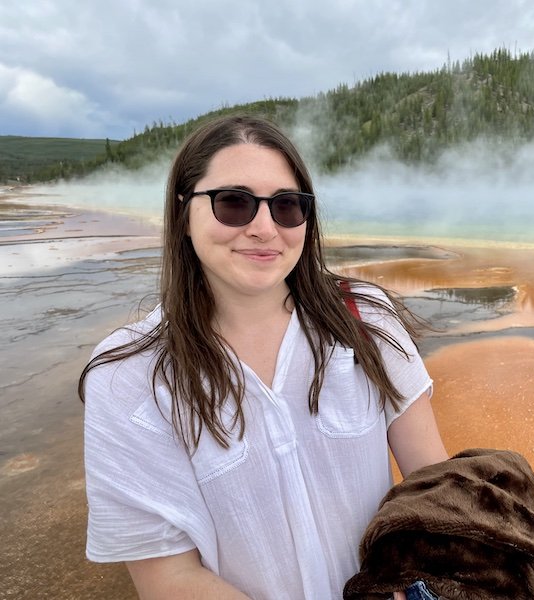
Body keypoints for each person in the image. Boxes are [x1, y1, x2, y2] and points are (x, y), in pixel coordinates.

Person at [79, 114, 448, 599]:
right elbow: (170, 579)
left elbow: (437, 487)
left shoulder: (366, 320)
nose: (263, 228)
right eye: (234, 203)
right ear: (183, 213)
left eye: (286, 206)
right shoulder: (130, 377)